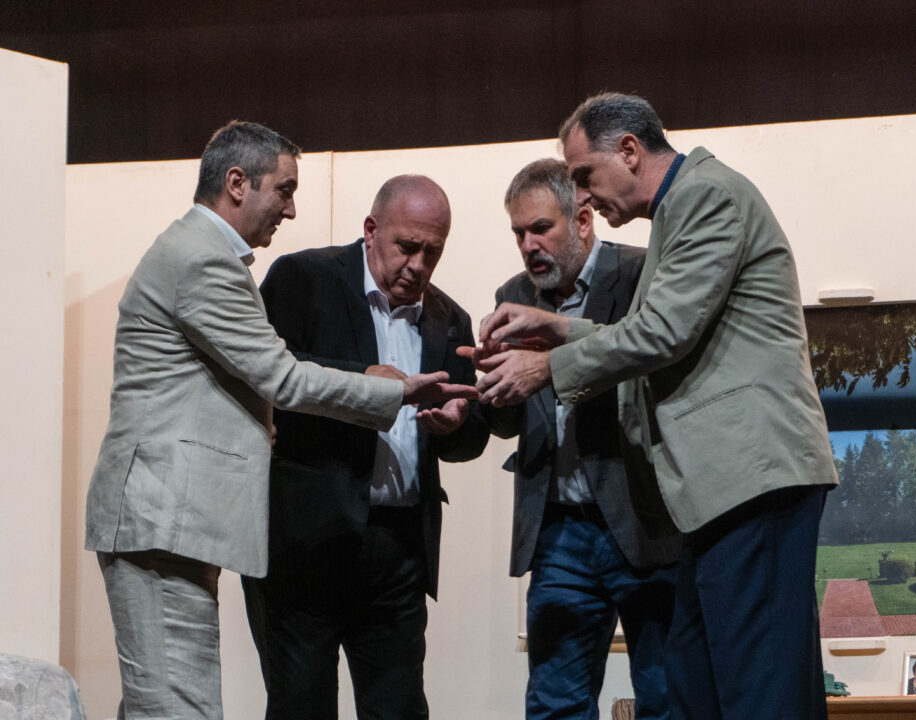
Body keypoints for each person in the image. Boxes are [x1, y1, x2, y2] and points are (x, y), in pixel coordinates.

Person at [84, 124, 475, 720]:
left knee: (162, 705)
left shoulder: (202, 253)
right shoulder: (205, 260)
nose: (291, 210)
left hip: (179, 521)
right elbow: (284, 378)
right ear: (237, 183)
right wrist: (391, 390)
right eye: (285, 190)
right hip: (170, 518)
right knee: (177, 709)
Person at [468, 93, 839, 720]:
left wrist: (549, 365)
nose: (584, 195)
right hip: (712, 492)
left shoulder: (705, 195)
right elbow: (655, 330)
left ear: (630, 151)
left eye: (585, 174)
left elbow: (662, 333)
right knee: (696, 685)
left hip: (751, 478)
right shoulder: (678, 211)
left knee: (759, 690)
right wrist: (557, 330)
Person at [241, 174, 489, 719]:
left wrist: (456, 426)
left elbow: (471, 434)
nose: (418, 265)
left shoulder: (449, 319)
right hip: (307, 542)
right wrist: (367, 382)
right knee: (301, 708)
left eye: (432, 252)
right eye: (407, 246)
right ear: (371, 229)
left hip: (398, 551)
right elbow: (267, 376)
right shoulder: (304, 278)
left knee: (399, 709)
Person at [485, 158, 679, 720]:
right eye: (518, 233)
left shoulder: (641, 274)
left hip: (645, 519)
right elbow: (513, 420)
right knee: (554, 703)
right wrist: (488, 393)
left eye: (540, 228)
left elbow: (655, 370)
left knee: (666, 695)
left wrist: (550, 365)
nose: (528, 246)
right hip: (559, 530)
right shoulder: (513, 293)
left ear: (583, 220)